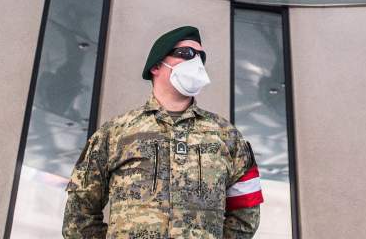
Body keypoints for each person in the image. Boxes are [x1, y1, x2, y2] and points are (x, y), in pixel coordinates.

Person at [63, 25, 263, 238]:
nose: (196, 62)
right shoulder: (115, 133)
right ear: (156, 65)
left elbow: (246, 210)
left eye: (200, 57)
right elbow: (79, 212)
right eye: (186, 54)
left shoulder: (227, 136)